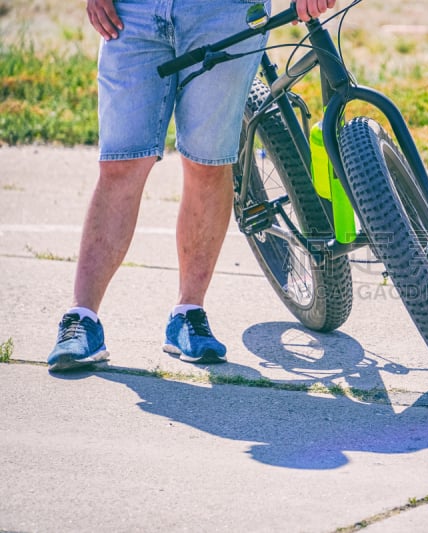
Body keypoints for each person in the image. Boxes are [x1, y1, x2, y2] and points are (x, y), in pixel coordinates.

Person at [47, 0, 336, 372]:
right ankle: (81, 318)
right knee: (120, 165)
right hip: (131, 12)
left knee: (208, 164)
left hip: (224, 13)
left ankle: (189, 313)